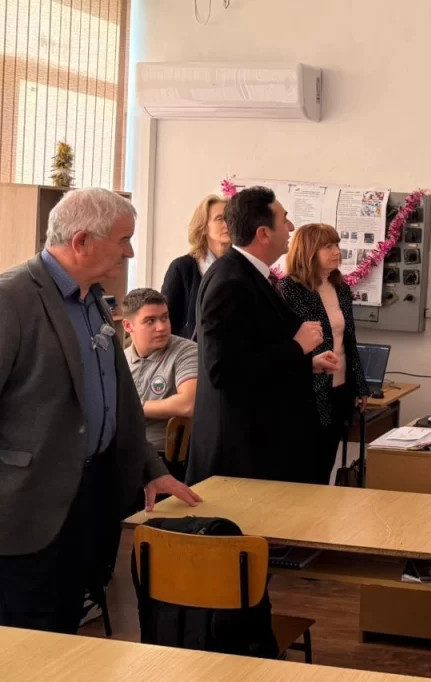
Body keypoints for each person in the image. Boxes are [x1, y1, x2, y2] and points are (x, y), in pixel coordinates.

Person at [0, 187, 200, 634]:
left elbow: (117, 400)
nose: (130, 252)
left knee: (64, 630)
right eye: (123, 240)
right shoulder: (11, 299)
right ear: (82, 241)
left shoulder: (93, 299)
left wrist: (151, 469)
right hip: (23, 512)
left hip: (86, 500)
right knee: (25, 640)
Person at [186, 186, 341, 485]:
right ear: (263, 234)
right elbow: (223, 370)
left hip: (261, 446)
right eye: (284, 220)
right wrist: (297, 348)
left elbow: (254, 348)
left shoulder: (251, 274)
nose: (291, 227)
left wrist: (306, 363)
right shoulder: (230, 280)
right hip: (241, 454)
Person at [278, 224, 371, 485]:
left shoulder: (339, 288)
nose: (336, 251)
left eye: (337, 245)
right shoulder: (289, 289)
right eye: (328, 246)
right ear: (309, 251)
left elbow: (349, 339)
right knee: (306, 468)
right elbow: (289, 343)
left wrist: (360, 385)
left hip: (340, 389)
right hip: (308, 391)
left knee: (326, 463)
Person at [122, 288, 199, 458]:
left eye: (165, 317)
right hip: (121, 452)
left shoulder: (187, 351)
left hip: (164, 457)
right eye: (150, 321)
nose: (162, 327)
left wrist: (134, 407)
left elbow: (188, 404)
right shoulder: (120, 359)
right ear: (128, 326)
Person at [161, 194, 231, 340]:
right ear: (203, 227)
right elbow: (166, 321)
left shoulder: (242, 268)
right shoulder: (182, 268)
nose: (228, 223)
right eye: (220, 218)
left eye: (231, 218)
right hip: (192, 351)